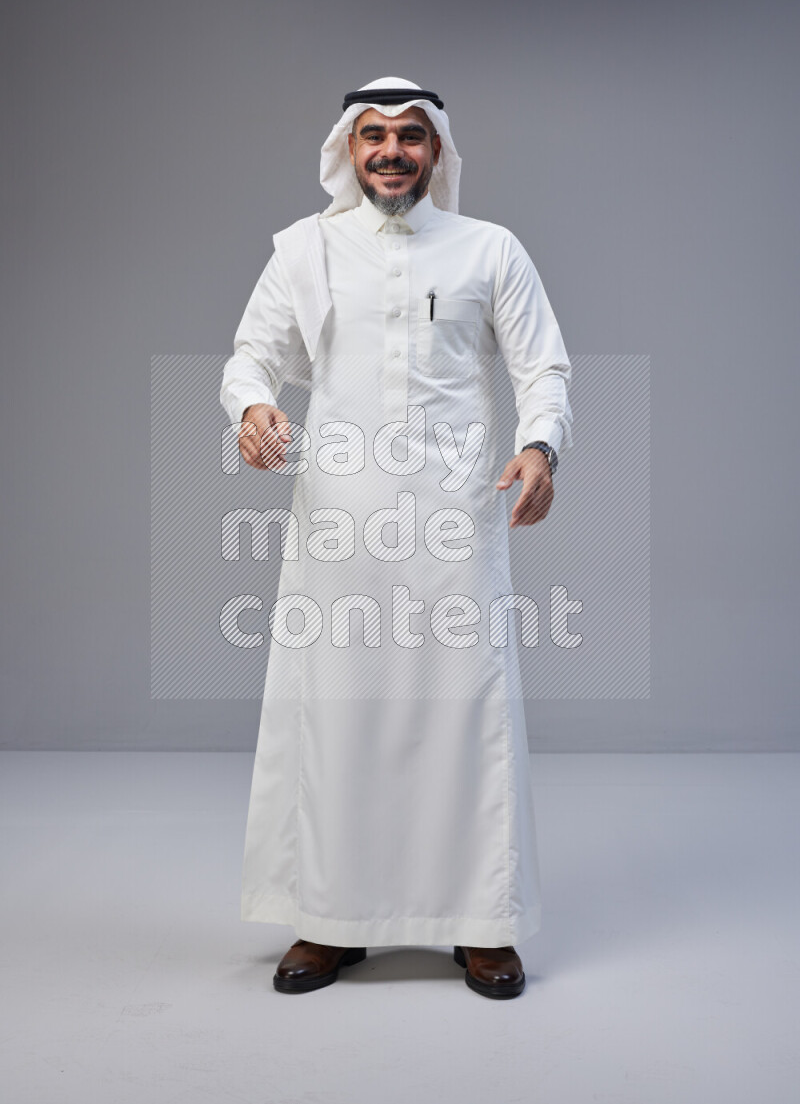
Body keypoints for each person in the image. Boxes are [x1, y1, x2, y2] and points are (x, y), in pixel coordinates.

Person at [219, 77, 573, 999]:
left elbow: (543, 366)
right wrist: (252, 407)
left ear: (436, 150)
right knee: (339, 714)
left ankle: (482, 922)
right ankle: (331, 919)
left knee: (466, 713)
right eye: (373, 134)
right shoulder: (305, 250)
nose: (390, 150)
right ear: (348, 147)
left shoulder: (490, 248)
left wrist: (541, 447)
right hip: (341, 516)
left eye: (410, 135)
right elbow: (252, 356)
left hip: (457, 516)